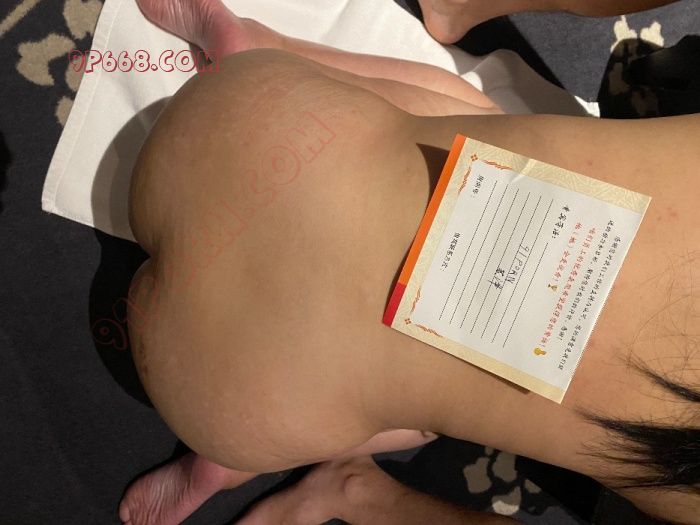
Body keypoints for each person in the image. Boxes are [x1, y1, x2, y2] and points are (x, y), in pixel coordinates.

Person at [118, 0, 699, 523]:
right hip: (222, 399)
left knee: (481, 129)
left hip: (242, 111)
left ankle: (251, 43)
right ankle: (232, 470)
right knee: (441, 405)